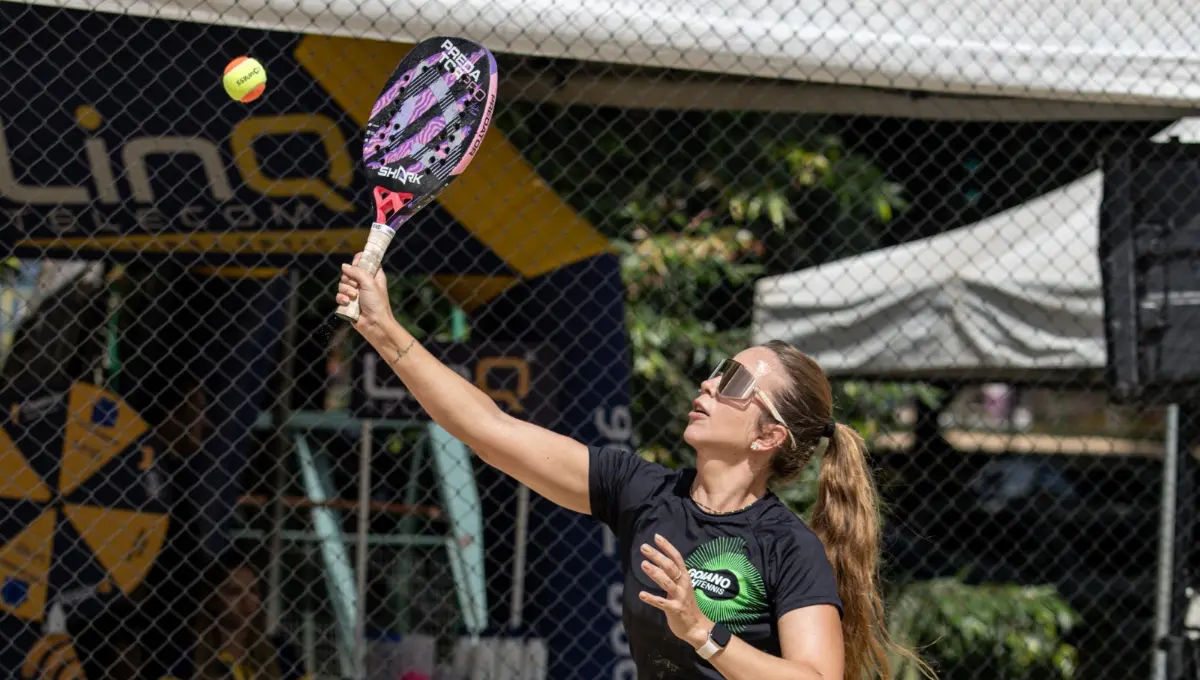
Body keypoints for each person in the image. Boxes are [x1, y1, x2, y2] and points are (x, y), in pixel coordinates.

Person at [335, 256, 928, 680]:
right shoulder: (644, 494)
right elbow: (492, 432)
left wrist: (705, 634)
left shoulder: (789, 548)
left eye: (736, 382)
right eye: (719, 369)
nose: (709, 384)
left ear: (770, 436)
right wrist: (385, 332)